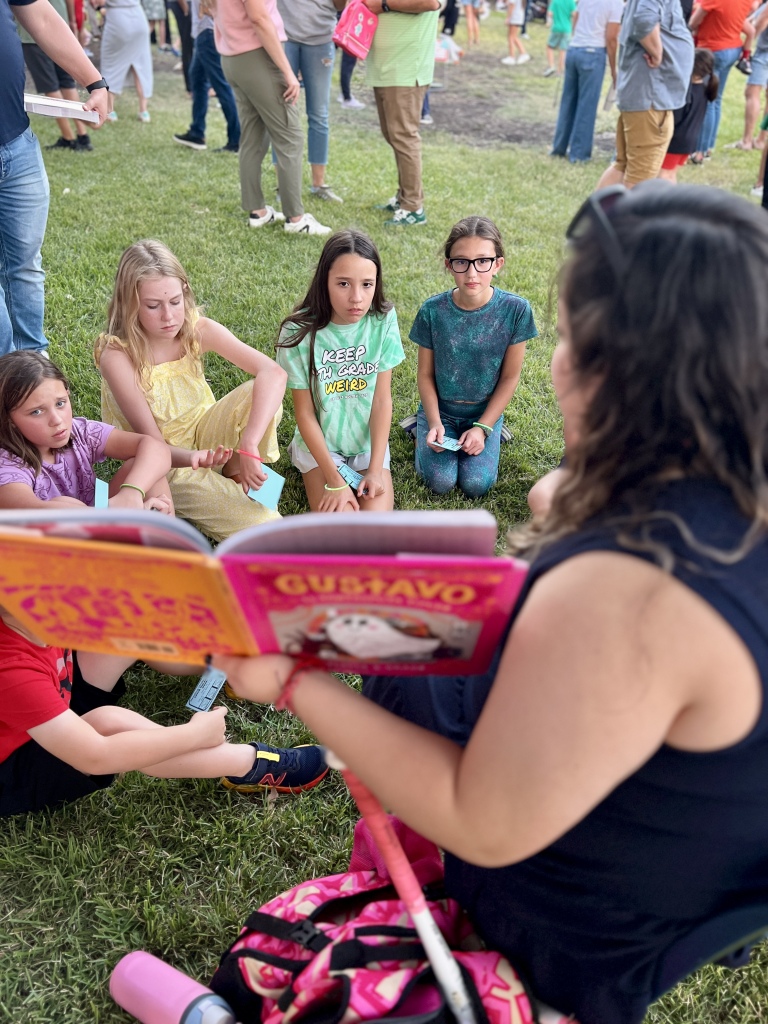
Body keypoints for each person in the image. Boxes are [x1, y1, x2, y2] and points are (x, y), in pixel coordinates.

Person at [218, 182, 768, 1024]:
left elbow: (487, 819)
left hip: (555, 931)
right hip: (650, 887)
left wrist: (295, 682)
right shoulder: (729, 502)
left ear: (617, 371)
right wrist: (570, 496)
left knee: (264, 969)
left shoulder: (629, 592)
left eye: (573, 340)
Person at [0, 604, 329, 817]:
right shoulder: (11, 670)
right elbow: (95, 756)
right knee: (108, 724)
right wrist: (193, 734)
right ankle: (250, 763)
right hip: (12, 767)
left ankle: (225, 662)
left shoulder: (39, 612)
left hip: (50, 700)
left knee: (124, 633)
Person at [95, 240, 288, 541]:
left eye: (174, 301)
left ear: (184, 289)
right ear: (129, 303)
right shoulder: (118, 355)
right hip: (165, 463)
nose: (169, 317)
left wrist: (249, 444)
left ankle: (235, 468)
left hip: (209, 434)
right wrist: (195, 458)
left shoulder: (196, 328)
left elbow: (273, 373)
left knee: (261, 393)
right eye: (152, 306)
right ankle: (216, 484)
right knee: (268, 527)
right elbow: (153, 445)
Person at [1, 0, 109, 357]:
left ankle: (33, 367)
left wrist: (95, 81)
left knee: (25, 266)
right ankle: (8, 380)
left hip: (17, 143)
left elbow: (43, 18)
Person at [275, 230, 404, 513]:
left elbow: (382, 401)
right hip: (321, 449)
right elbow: (305, 414)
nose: (356, 297)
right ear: (325, 281)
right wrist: (334, 480)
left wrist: (374, 469)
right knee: (343, 532)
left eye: (367, 284)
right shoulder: (298, 332)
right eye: (343, 283)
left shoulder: (382, 320)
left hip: (368, 446)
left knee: (375, 531)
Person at [412, 216, 533, 499]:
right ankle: (417, 426)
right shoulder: (432, 311)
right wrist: (433, 422)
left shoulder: (516, 311)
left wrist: (483, 426)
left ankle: (494, 431)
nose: (472, 273)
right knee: (441, 482)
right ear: (448, 264)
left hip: (483, 411)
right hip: (441, 411)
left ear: (498, 264)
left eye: (483, 261)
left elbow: (510, 377)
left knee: (476, 484)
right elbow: (425, 375)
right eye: (461, 262)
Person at [0, 351, 173, 511]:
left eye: (60, 403)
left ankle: (168, 539)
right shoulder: (7, 464)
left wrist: (131, 492)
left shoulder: (79, 432)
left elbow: (156, 448)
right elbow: (36, 513)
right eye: (36, 412)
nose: (57, 420)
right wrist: (115, 512)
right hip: (50, 538)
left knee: (145, 469)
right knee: (63, 504)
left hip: (95, 519)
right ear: (9, 419)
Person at [213, 0, 331, 235]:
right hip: (256, 56)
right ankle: (296, 219)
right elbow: (259, 18)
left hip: (233, 56)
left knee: (253, 134)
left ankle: (257, 211)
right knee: (290, 137)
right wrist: (288, 71)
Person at [597, 0, 694, 188]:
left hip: (645, 95)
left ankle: (594, 217)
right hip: (651, 97)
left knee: (623, 166)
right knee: (641, 179)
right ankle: (622, 218)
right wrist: (657, 53)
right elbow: (644, 19)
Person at [364, 0, 440, 227]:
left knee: (404, 136)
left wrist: (384, 4)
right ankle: (404, 197)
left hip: (406, 68)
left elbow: (430, 3)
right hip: (388, 66)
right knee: (394, 135)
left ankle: (413, 207)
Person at [275, 0, 345, 203]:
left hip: (321, 38)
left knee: (319, 114)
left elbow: (340, 5)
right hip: (284, 35)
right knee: (283, 112)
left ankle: (319, 184)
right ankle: (283, 185)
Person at [550, 0, 622, 162]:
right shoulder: (615, 4)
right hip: (593, 52)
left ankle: (559, 147)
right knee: (586, 106)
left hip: (575, 49)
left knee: (568, 102)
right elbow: (611, 38)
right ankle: (579, 154)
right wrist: (613, 67)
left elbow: (576, 19)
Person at [17, 0, 94, 151]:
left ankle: (68, 137)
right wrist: (72, 22)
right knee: (66, 82)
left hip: (33, 32)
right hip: (60, 27)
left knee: (50, 85)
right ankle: (82, 135)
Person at [688, 0, 755, 163]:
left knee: (707, 100)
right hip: (733, 48)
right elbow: (747, 24)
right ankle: (709, 147)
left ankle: (699, 151)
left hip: (713, 50)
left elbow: (693, 22)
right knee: (717, 98)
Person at [173, 0, 240, 152]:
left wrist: (206, 10)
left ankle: (237, 139)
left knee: (221, 85)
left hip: (208, 33)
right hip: (204, 33)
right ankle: (197, 132)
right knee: (197, 79)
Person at [659, 48, 719, 182]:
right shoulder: (704, 90)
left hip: (675, 142)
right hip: (689, 142)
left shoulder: (685, 92)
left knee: (663, 176)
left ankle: (666, 202)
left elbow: (674, 119)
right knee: (671, 173)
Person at [96, 0, 154, 122]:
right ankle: (144, 111)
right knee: (141, 65)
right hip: (139, 17)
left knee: (111, 64)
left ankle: (110, 111)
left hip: (117, 19)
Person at [737, 2, 768, 151]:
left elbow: (762, 20)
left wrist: (750, 39)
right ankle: (761, 138)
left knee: (752, 93)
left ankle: (747, 141)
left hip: (765, 53)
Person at [543, 0, 576, 77]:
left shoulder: (555, 1)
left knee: (550, 47)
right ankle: (560, 70)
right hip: (567, 28)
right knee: (563, 49)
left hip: (556, 28)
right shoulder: (571, 2)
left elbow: (550, 13)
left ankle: (551, 66)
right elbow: (574, 14)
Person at [501, 0, 529, 66]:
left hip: (514, 16)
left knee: (511, 37)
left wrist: (508, 17)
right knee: (514, 37)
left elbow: (512, 5)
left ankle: (512, 56)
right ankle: (523, 53)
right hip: (518, 15)